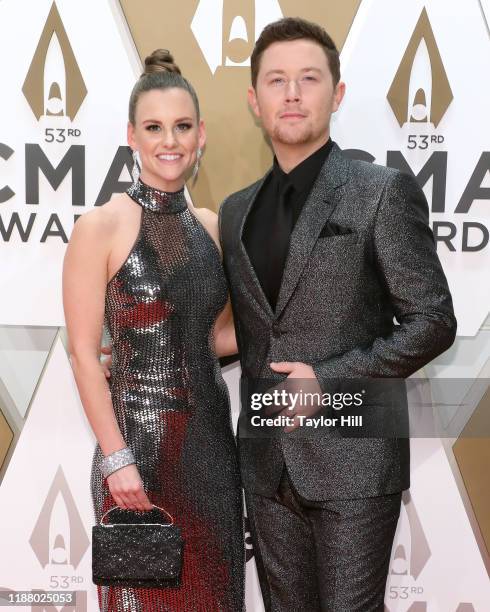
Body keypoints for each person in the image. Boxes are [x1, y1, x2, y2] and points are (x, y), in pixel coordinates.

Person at [218, 17, 456, 612]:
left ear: (338, 93)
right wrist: (152, 346)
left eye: (308, 78)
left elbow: (433, 320)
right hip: (267, 462)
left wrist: (329, 380)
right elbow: (247, 333)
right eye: (276, 80)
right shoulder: (235, 211)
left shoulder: (380, 190)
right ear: (255, 99)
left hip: (354, 461)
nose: (292, 93)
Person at [63, 50, 244, 612]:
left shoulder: (213, 228)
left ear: (201, 135)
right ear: (132, 136)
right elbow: (85, 356)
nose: (171, 141)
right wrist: (117, 458)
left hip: (212, 455)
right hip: (136, 454)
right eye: (155, 127)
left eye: (183, 126)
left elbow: (207, 340)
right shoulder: (101, 226)